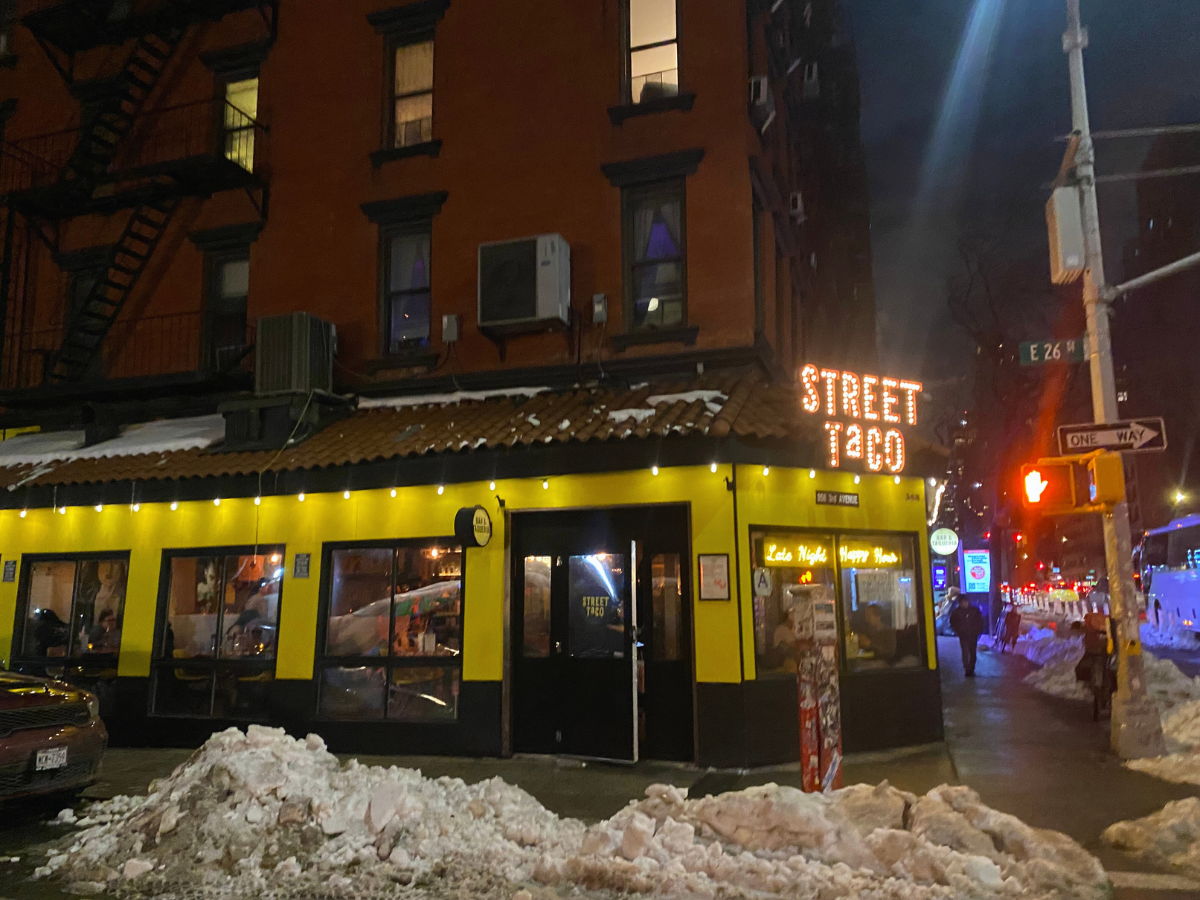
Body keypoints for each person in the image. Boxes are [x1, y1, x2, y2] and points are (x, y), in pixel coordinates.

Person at [948, 589, 985, 676]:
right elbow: (953, 623)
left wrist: (978, 630)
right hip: (963, 635)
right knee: (965, 652)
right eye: (963, 602)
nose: (965, 603)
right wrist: (958, 631)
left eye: (966, 601)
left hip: (973, 635)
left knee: (972, 652)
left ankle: (971, 668)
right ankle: (967, 669)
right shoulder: (956, 612)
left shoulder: (974, 611)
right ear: (960, 603)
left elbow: (980, 621)